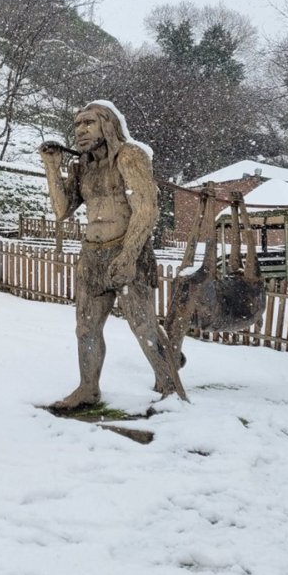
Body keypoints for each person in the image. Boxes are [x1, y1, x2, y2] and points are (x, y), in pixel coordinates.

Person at [39, 100, 186, 408]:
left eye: (88, 123)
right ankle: (88, 389)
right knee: (86, 328)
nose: (80, 130)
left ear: (107, 125)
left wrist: (129, 254)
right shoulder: (82, 166)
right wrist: (51, 168)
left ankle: (173, 391)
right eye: (78, 124)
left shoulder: (130, 156)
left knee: (143, 325)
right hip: (92, 255)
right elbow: (62, 211)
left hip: (126, 249)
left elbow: (146, 209)